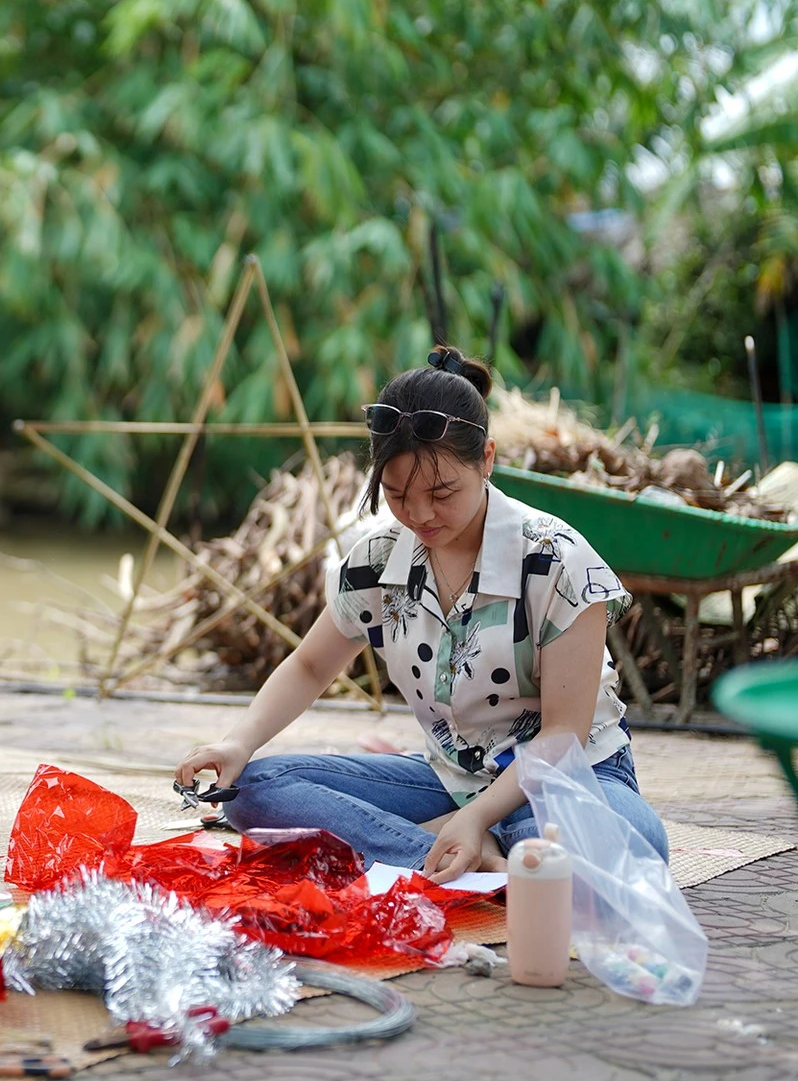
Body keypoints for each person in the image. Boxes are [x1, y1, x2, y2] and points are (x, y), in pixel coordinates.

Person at [175, 345, 669, 883]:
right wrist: (237, 742)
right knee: (251, 790)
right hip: (449, 775)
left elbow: (563, 737)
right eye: (397, 495)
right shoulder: (377, 558)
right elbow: (311, 667)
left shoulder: (558, 561)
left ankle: (463, 840)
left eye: (442, 492)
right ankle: (445, 855)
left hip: (567, 777)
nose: (420, 515)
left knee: (636, 842)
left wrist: (476, 815)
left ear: (487, 459)